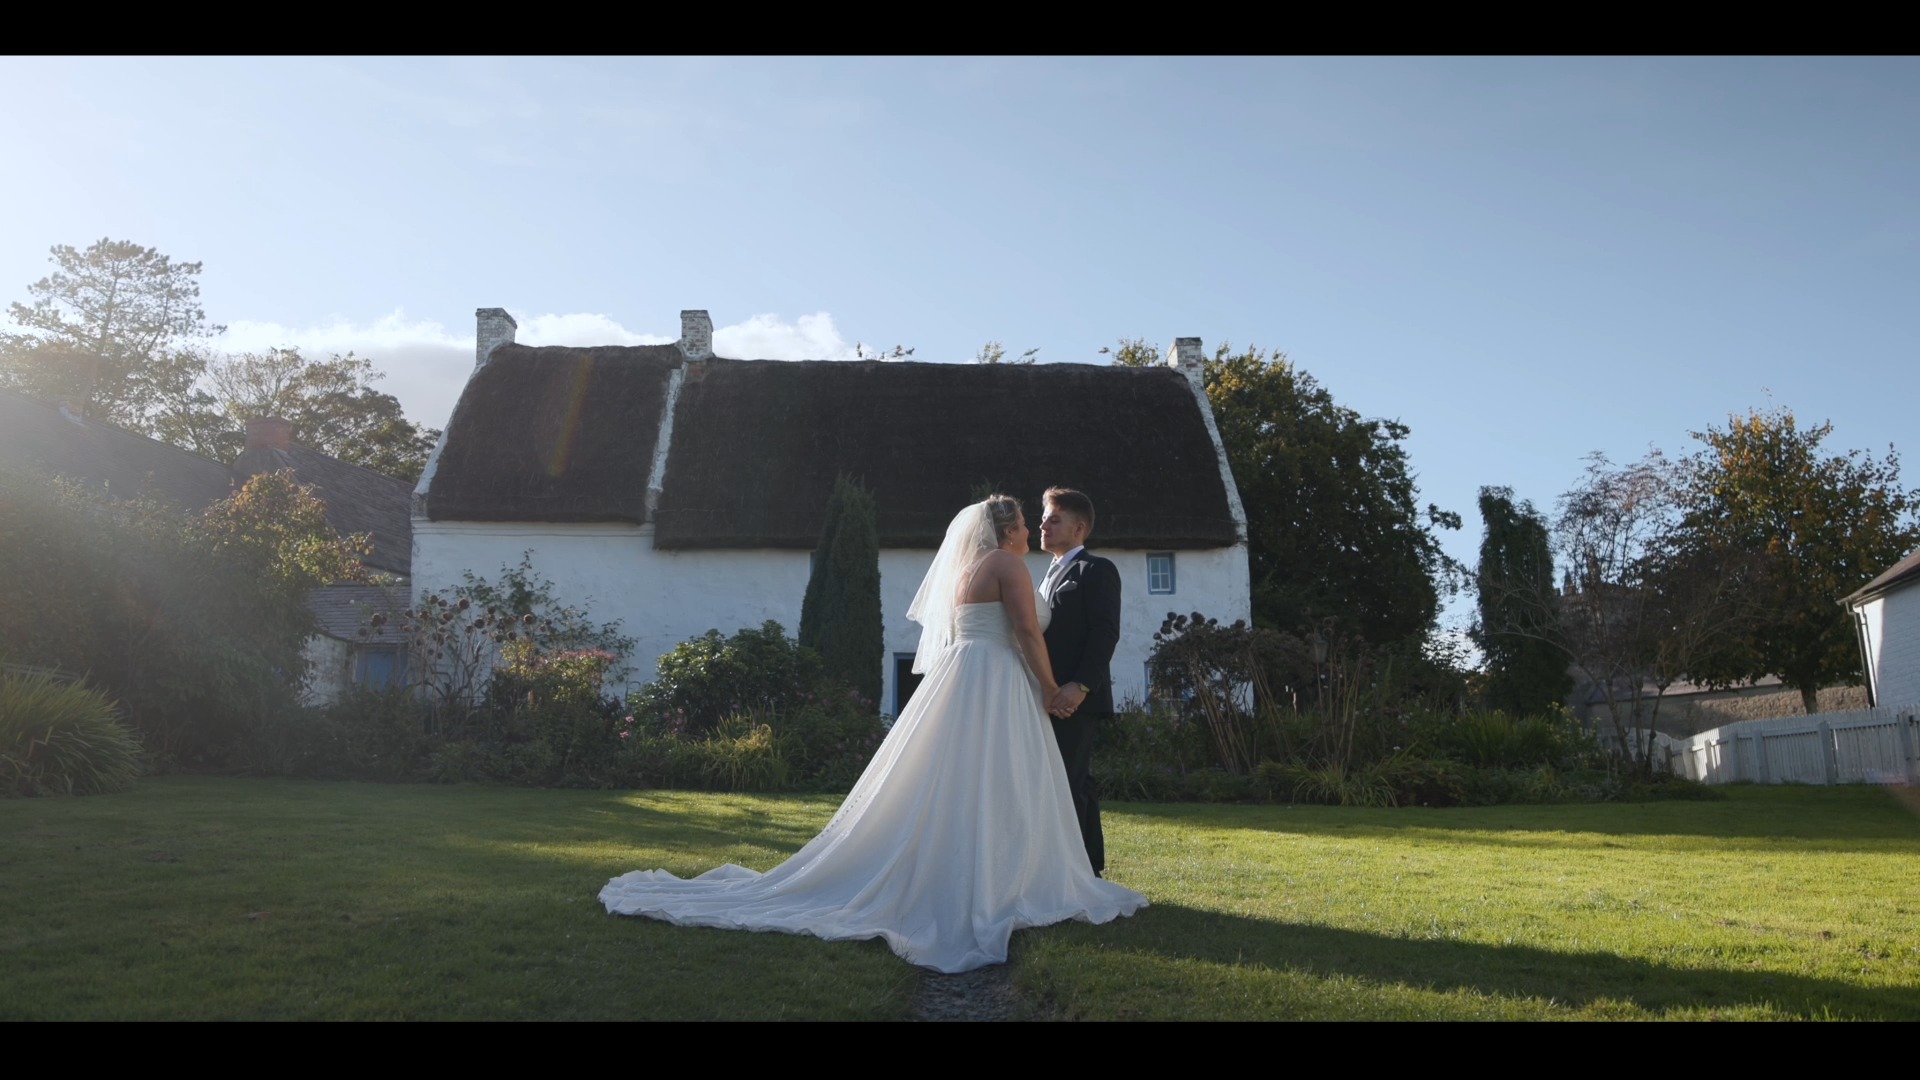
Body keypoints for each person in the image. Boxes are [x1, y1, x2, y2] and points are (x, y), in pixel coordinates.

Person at [598, 495, 1146, 974]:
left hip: (964, 677)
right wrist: (1049, 687)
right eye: (1026, 523)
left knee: (957, 778)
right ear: (1007, 531)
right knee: (999, 778)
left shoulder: (968, 569)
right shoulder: (1006, 562)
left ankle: (974, 872)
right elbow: (1025, 629)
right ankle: (997, 881)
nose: (1031, 530)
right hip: (997, 679)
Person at [1038, 487, 1120, 877]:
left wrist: (1081, 686)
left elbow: (1105, 633)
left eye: (1054, 520)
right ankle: (1088, 868)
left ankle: (1074, 873)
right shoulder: (1046, 576)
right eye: (1043, 519)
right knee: (1071, 781)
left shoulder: (1096, 570)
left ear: (1079, 528)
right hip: (1048, 696)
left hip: (1076, 698)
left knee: (1069, 782)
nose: (1043, 526)